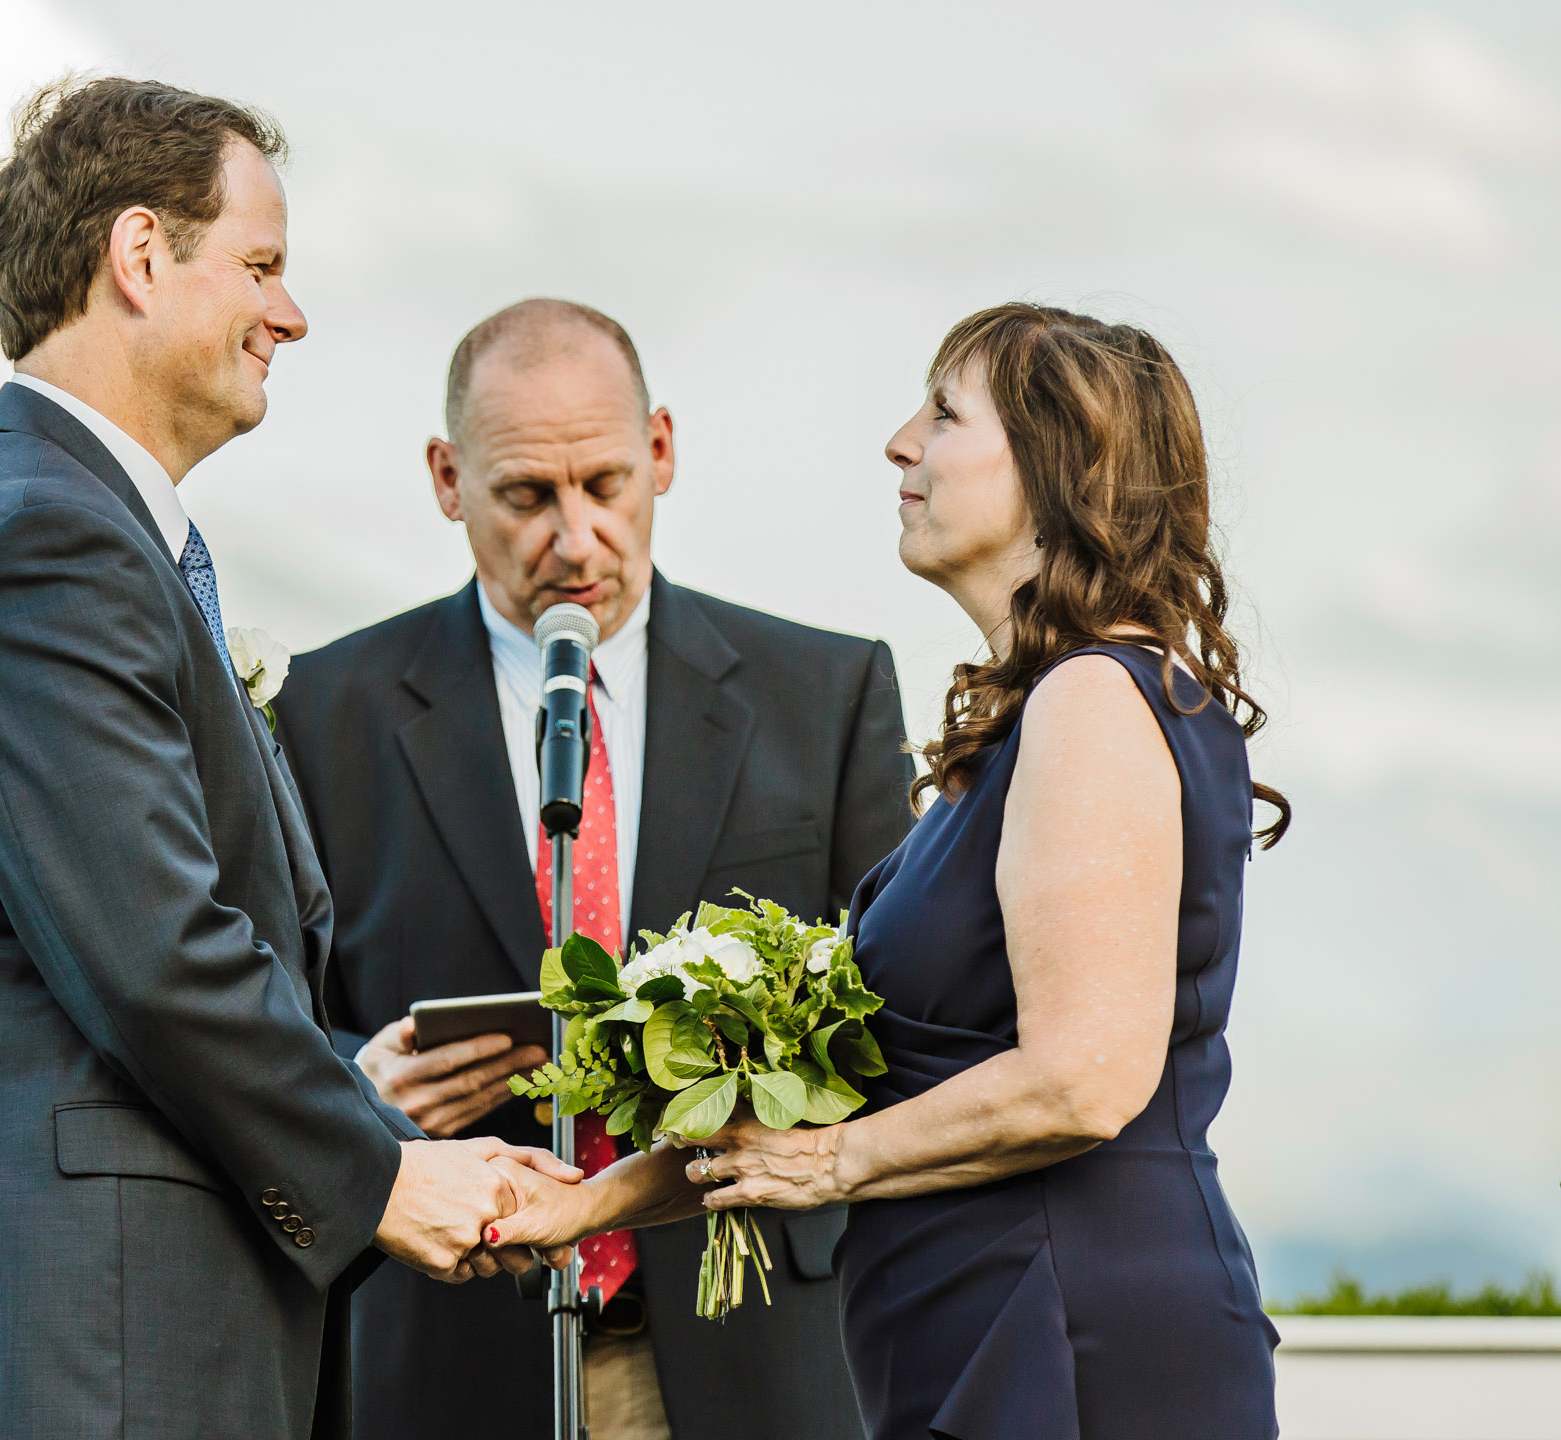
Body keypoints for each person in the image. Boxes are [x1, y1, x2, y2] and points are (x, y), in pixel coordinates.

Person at [0, 79, 572, 1440]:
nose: (290, 314)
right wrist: (385, 1179)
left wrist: (374, 1111)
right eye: (261, 265)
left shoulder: (74, 531)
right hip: (97, 1329)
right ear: (139, 257)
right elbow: (156, 953)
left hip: (127, 1313)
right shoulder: (40, 546)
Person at [489, 302, 1290, 1439]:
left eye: (945, 413)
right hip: (977, 1322)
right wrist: (585, 1205)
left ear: (1062, 471)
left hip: (1071, 1329)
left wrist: (834, 1166)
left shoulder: (1098, 701)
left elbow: (1085, 1081)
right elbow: (856, 1091)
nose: (899, 442)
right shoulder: (1037, 721)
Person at [275, 298, 915, 1440]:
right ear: (446, 478)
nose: (575, 541)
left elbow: (899, 1017)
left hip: (761, 1348)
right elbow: (262, 1013)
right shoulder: (325, 713)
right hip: (445, 1357)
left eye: (606, 485)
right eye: (527, 496)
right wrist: (358, 1086)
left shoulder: (825, 696)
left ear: (660, 451)